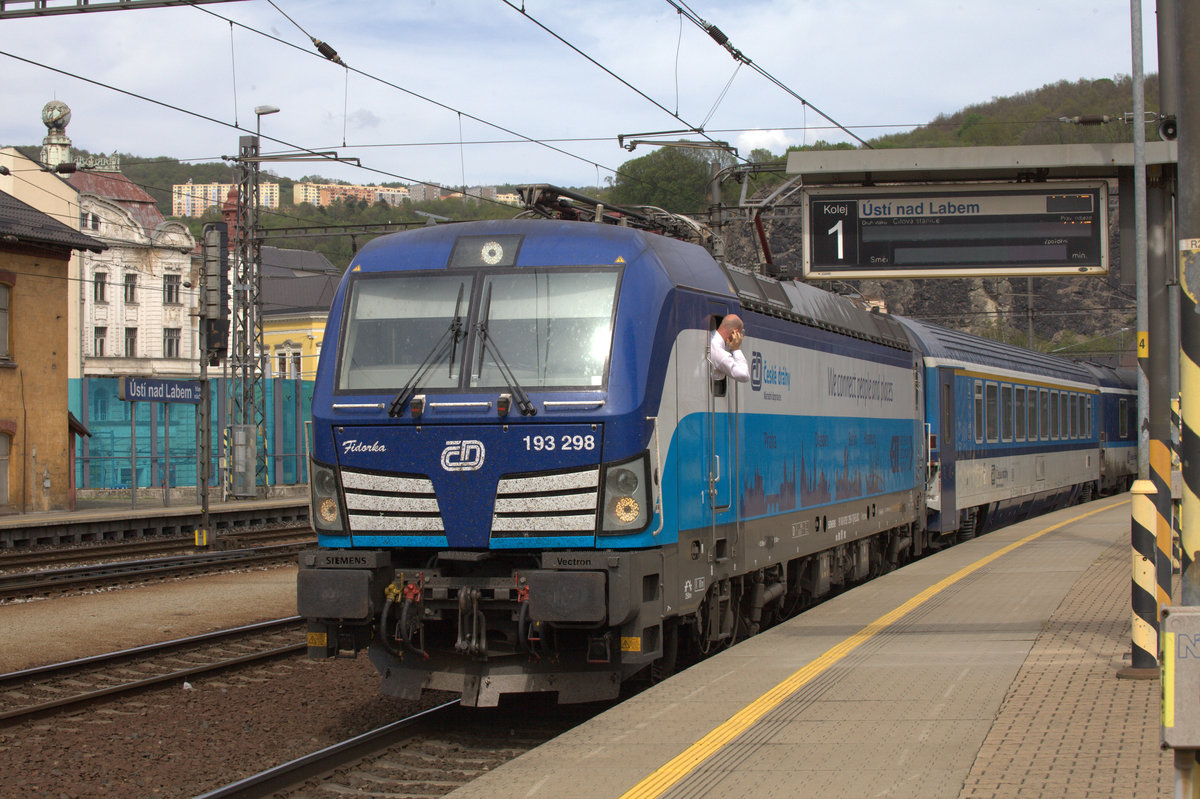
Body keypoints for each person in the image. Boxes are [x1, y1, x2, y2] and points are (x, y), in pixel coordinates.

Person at [709, 314, 750, 383]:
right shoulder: (718, 351)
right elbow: (744, 375)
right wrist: (736, 349)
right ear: (735, 332)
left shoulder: (710, 338)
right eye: (740, 333)